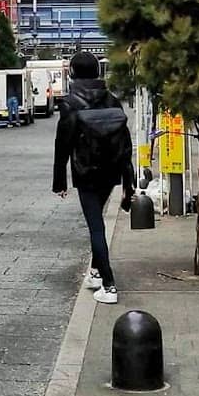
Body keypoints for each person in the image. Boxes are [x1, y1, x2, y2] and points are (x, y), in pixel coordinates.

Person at [53, 51, 135, 305]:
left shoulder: (70, 103)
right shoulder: (112, 100)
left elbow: (62, 144)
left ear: (73, 73)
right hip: (110, 171)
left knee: (96, 226)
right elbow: (125, 142)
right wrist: (128, 180)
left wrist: (60, 181)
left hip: (85, 172)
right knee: (97, 220)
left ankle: (109, 285)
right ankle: (96, 272)